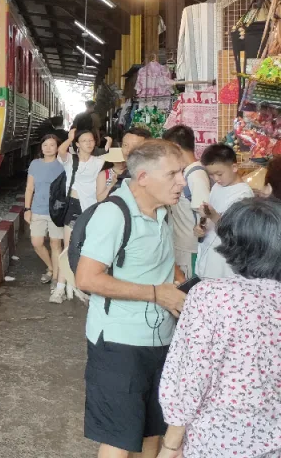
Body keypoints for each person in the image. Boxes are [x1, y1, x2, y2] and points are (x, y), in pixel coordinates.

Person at [73, 140, 189, 458]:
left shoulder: (163, 211)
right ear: (143, 178)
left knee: (152, 431)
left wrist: (180, 283)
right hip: (118, 345)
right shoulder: (114, 214)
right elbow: (87, 278)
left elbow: (160, 262)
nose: (182, 181)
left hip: (162, 340)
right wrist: (156, 293)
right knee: (120, 439)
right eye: (173, 174)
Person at [157, 197, 281, 458]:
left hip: (217, 441)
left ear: (232, 242)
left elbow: (192, 377)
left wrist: (171, 443)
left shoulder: (212, 296)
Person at [51, 127, 112, 304]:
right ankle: (60, 288)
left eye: (91, 140)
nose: (88, 143)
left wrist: (108, 145)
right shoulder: (71, 159)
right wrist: (69, 138)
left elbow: (115, 160)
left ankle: (77, 285)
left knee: (87, 248)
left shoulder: (98, 161)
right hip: (74, 206)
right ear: (77, 144)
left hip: (92, 209)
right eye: (84, 141)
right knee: (68, 248)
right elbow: (61, 151)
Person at [193, 144, 254, 280]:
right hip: (209, 254)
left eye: (219, 174)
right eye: (211, 175)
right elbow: (209, 219)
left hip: (225, 263)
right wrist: (201, 226)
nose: (216, 178)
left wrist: (213, 215)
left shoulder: (244, 195)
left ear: (234, 167)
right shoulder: (217, 186)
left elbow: (236, 231)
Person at [161, 125, 211, 279]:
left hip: (191, 248)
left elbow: (204, 211)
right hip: (182, 245)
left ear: (176, 147)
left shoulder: (196, 175)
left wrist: (201, 226)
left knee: (189, 286)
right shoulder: (186, 172)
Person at [24, 134, 65, 284]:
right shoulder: (35, 164)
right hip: (37, 209)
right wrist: (27, 209)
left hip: (56, 211)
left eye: (52, 145)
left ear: (58, 147)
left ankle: (55, 278)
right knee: (37, 242)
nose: (48, 148)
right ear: (41, 148)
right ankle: (52, 268)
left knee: (56, 244)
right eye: (45, 145)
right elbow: (30, 188)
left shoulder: (63, 164)